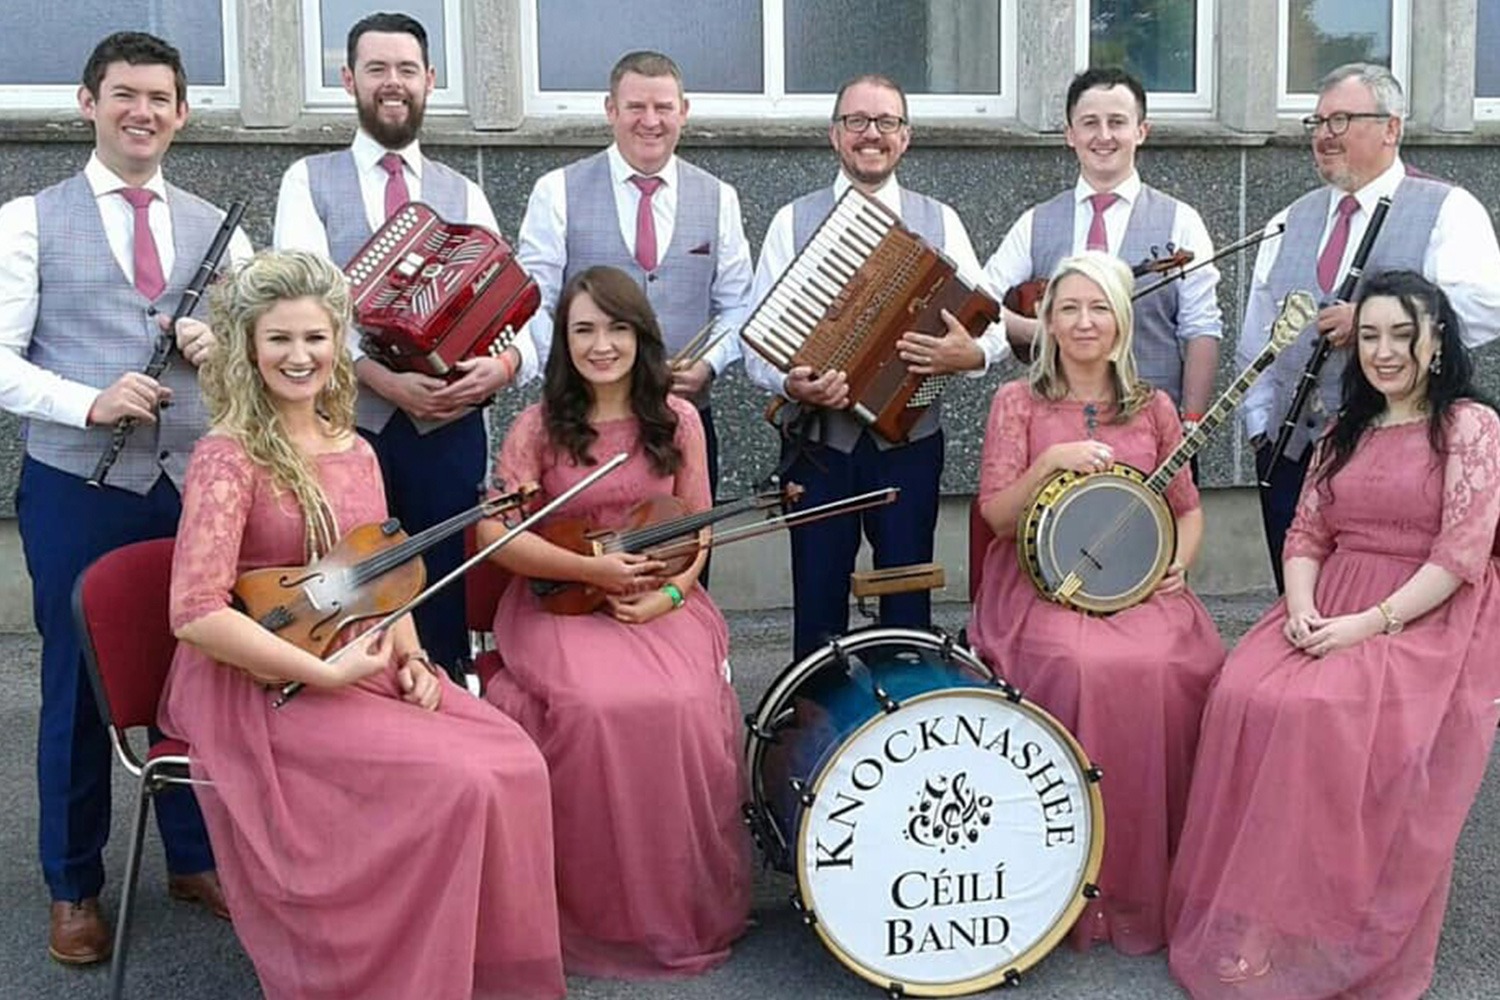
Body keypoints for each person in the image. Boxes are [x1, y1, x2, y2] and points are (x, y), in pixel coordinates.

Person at [158, 249, 565, 1000]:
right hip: (264, 683)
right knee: (457, 781)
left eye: (315, 337)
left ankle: (471, 972)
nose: (300, 356)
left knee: (514, 761)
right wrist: (323, 674)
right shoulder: (227, 456)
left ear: (336, 343)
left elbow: (380, 576)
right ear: (249, 346)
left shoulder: (359, 451)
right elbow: (196, 612)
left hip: (360, 660)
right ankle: (393, 972)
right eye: (280, 338)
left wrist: (413, 660)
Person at [1167, 271, 1500, 999]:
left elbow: (1460, 554)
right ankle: (1260, 900)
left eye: (1402, 334)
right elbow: (1307, 533)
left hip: (1425, 613)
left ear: (1437, 339)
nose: (1384, 351)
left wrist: (1367, 625)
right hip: (1330, 598)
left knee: (1314, 712)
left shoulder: (1469, 427)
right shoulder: (1345, 428)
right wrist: (1299, 608)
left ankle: (1310, 921)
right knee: (1242, 691)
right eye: (1370, 335)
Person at [0, 30, 252, 964]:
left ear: (181, 113)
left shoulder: (224, 229)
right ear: (89, 103)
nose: (141, 112)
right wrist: (88, 401)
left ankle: (194, 856)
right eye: (123, 95)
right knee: (78, 683)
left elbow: (268, 366)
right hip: (80, 485)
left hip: (198, 485)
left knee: (202, 671)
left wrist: (222, 353)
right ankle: (74, 883)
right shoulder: (29, 221)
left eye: (158, 98)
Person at [479, 265, 750, 977]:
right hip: (562, 600)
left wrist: (670, 597)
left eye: (617, 328)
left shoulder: (677, 419)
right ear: (564, 341)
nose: (601, 345)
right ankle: (594, 911)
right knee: (596, 707)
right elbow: (495, 535)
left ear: (641, 336)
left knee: (683, 703)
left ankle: (676, 903)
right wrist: (591, 571)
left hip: (658, 598)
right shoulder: (539, 426)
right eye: (584, 330)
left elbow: (699, 529)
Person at [967, 252, 1225, 955]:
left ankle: (1154, 874)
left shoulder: (1155, 407)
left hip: (1138, 587)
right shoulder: (1016, 403)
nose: (1084, 322)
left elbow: (1187, 508)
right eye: (1069, 308)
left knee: (1171, 661)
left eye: (1099, 308)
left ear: (1121, 321)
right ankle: (1069, 873)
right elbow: (996, 517)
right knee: (1078, 663)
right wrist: (1049, 463)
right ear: (1048, 322)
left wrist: (1178, 563)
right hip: (1040, 586)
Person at [273, 11, 528, 671]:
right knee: (349, 590)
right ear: (349, 79)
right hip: (345, 425)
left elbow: (509, 301)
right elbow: (300, 310)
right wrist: (382, 380)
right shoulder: (307, 180)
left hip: (448, 429)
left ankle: (443, 711)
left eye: (407, 70)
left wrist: (504, 366)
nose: (394, 82)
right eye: (378, 69)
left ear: (430, 80)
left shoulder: (462, 191)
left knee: (441, 595)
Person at [744, 73, 1008, 659]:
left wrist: (968, 355)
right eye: (857, 121)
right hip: (818, 448)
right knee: (818, 603)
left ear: (905, 137)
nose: (872, 134)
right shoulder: (792, 220)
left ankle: (906, 704)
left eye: (886, 122)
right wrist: (790, 382)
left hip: (911, 443)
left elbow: (991, 328)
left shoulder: (941, 219)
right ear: (834, 134)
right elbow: (757, 350)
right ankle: (815, 710)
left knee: (907, 600)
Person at [1239, 63, 1500, 590]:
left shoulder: (1447, 209)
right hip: (1293, 452)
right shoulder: (1287, 220)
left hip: (1402, 456)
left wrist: (1373, 320)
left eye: (1342, 120)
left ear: (1391, 128)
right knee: (1300, 606)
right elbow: (1258, 340)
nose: (1324, 135)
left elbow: (1485, 306)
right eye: (1317, 122)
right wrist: (1260, 429)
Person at [515, 49, 754, 506]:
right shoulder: (556, 191)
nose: (650, 121)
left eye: (663, 107)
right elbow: (533, 302)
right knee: (577, 544)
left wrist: (709, 364)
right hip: (579, 424)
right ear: (611, 110)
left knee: (686, 542)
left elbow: (739, 304)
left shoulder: (719, 197)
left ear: (683, 112)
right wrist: (576, 374)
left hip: (682, 423)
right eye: (635, 107)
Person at [983, 66, 1222, 428]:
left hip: (1151, 428)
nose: (1104, 135)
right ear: (1070, 134)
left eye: (1117, 122)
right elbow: (981, 302)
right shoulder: (1035, 222)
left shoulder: (1181, 221)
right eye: (1090, 123)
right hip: (1055, 428)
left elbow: (1201, 328)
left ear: (1141, 131)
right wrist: (1038, 331)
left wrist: (1191, 422)